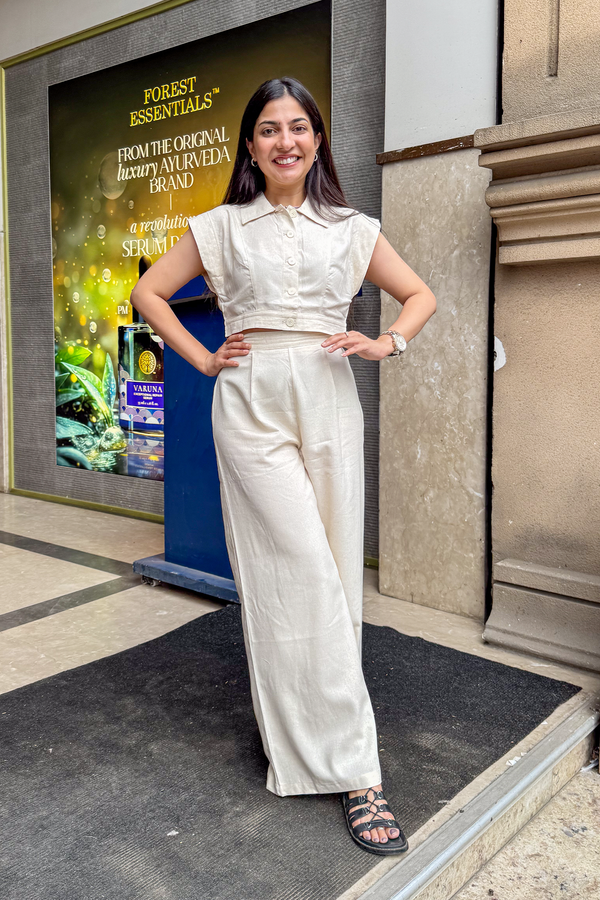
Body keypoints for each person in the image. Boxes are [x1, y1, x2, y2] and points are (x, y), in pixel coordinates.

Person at [131, 76, 436, 855]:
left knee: (331, 573)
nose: (285, 141)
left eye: (299, 127)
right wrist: (202, 358)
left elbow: (419, 295)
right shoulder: (222, 226)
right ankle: (358, 771)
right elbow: (150, 292)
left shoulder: (353, 227)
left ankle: (312, 740)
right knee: (293, 570)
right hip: (251, 398)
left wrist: (386, 342)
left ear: (318, 139)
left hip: (330, 391)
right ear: (250, 145)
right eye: (269, 130)